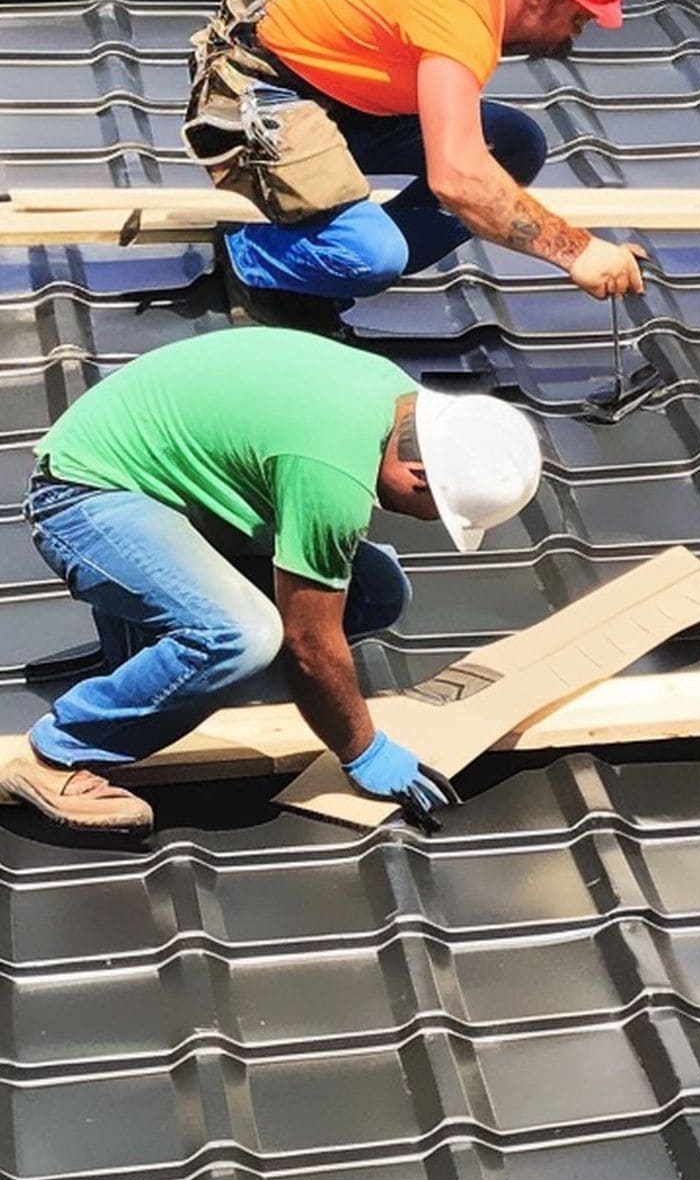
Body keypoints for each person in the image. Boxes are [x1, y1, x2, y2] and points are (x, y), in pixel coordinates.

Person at [4, 329, 542, 833]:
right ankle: (58, 752)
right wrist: (363, 750)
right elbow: (309, 643)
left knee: (377, 592)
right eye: (436, 514)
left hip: (170, 491)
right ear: (420, 478)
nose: (425, 523)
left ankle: (147, 653)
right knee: (241, 636)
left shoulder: (401, 403)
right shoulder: (332, 468)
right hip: (81, 494)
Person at [182, 0, 644, 334]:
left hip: (337, 96)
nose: (574, 34)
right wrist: (576, 251)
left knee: (514, 145)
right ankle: (251, 256)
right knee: (373, 256)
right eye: (577, 18)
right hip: (257, 92)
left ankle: (317, 276)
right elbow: (458, 177)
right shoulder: (460, 13)